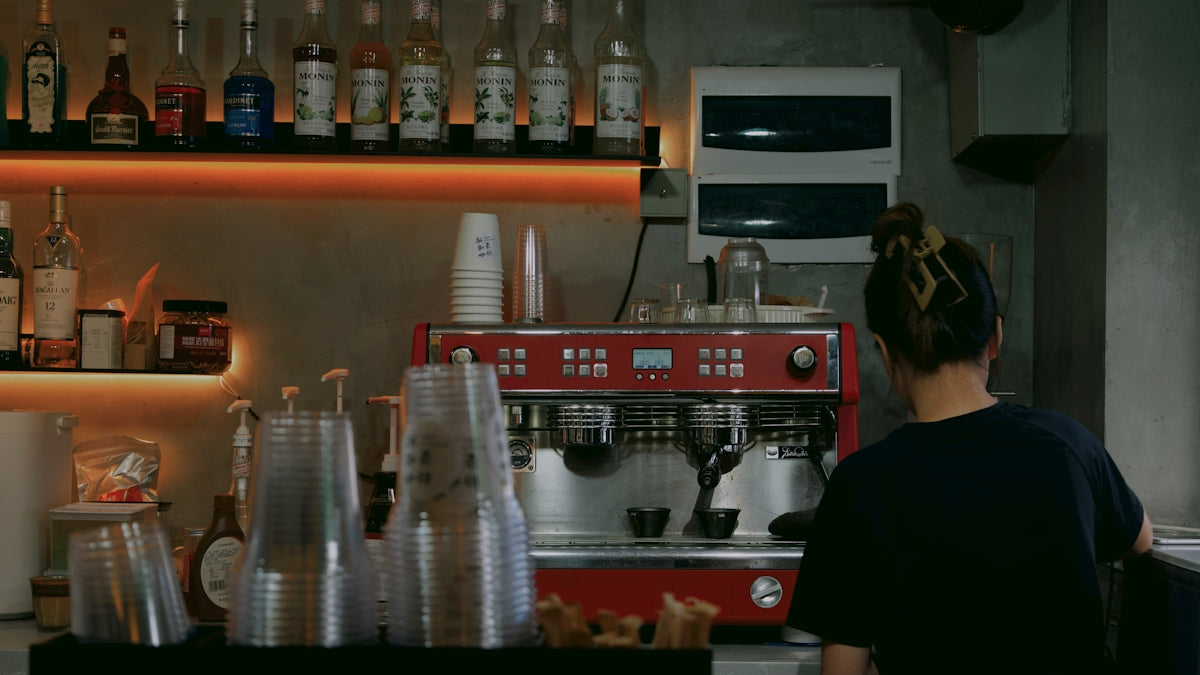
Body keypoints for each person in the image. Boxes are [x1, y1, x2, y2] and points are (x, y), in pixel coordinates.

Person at [786, 202, 1153, 674]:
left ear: (882, 351)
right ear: (995, 337)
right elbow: (1140, 539)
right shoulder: (1067, 443)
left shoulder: (861, 484)